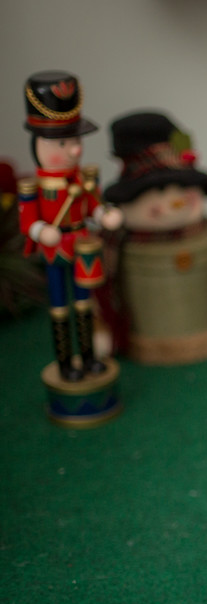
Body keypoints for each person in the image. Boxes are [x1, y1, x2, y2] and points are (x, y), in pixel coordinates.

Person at [18, 70, 123, 381]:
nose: (75, 150)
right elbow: (27, 221)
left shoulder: (83, 179)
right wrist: (40, 231)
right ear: (38, 143)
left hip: (81, 245)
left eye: (75, 140)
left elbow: (93, 205)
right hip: (54, 250)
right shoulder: (33, 188)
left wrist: (104, 214)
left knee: (84, 303)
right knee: (59, 307)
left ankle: (89, 358)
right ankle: (66, 362)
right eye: (63, 142)